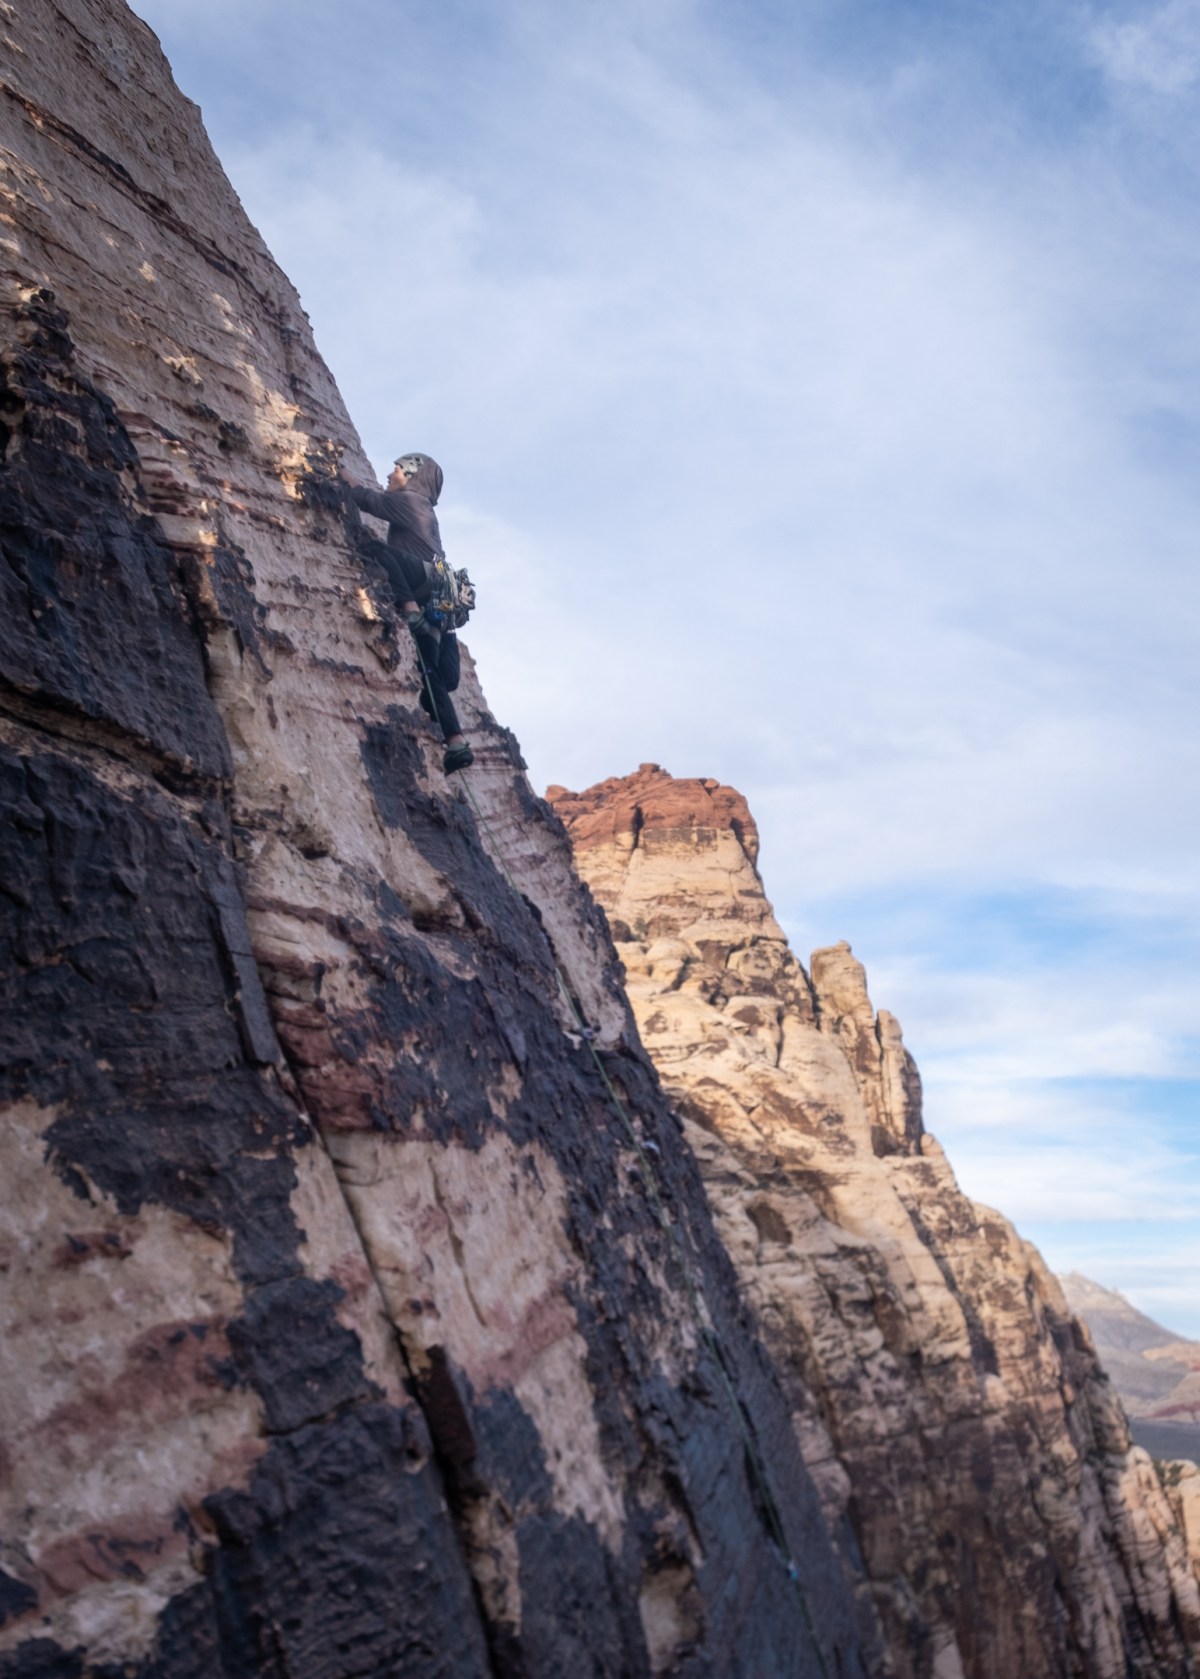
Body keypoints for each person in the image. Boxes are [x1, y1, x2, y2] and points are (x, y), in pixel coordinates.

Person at [341, 452, 474, 775]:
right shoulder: (423, 507)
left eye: (397, 470)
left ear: (412, 476)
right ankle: (457, 744)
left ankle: (410, 611)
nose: (390, 475)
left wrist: (338, 469)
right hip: (440, 605)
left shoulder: (410, 501)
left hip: (422, 586)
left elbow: (364, 498)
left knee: (375, 549)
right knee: (435, 678)